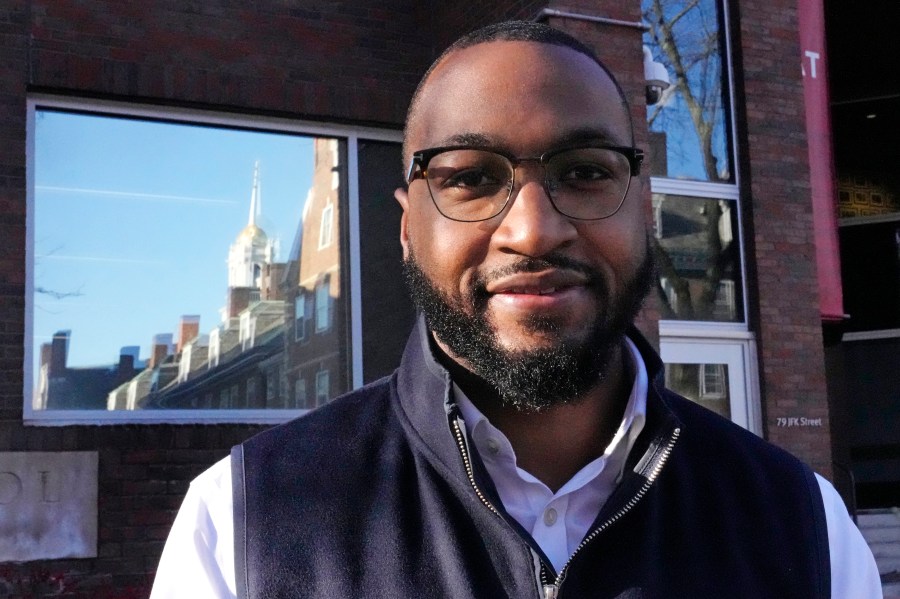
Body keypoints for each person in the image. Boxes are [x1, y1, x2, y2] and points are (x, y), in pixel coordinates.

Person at [151, 20, 881, 599]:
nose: (533, 229)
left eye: (586, 172)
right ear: (407, 229)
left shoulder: (804, 527)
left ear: (645, 209)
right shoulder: (244, 524)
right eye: (471, 177)